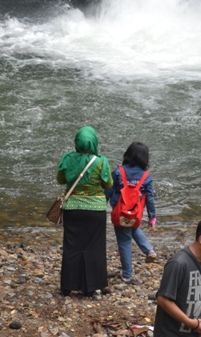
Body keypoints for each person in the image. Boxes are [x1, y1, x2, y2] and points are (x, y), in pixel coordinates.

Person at [56, 126, 112, 297]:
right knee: (94, 247)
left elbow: (60, 179)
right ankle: (92, 287)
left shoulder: (67, 158)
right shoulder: (101, 162)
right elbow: (108, 184)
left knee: (71, 247)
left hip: (72, 209)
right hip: (95, 211)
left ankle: (67, 286)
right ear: (94, 141)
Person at [154, 218, 201, 336]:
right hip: (172, 332)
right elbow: (163, 299)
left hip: (193, 330)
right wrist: (192, 323)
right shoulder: (178, 263)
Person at [107, 142, 157, 284]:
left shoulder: (118, 172)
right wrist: (152, 217)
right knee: (134, 227)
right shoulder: (146, 176)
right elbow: (150, 198)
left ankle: (127, 274)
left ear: (127, 155)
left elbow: (108, 191)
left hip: (120, 213)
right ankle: (148, 250)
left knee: (124, 242)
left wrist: (100, 205)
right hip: (135, 213)